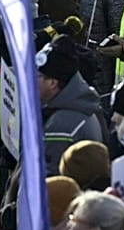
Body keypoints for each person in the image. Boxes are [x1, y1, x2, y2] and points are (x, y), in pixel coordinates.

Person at [38, 35, 105, 174]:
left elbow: (48, 181)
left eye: (37, 76)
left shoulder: (61, 124)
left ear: (52, 83)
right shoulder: (80, 108)